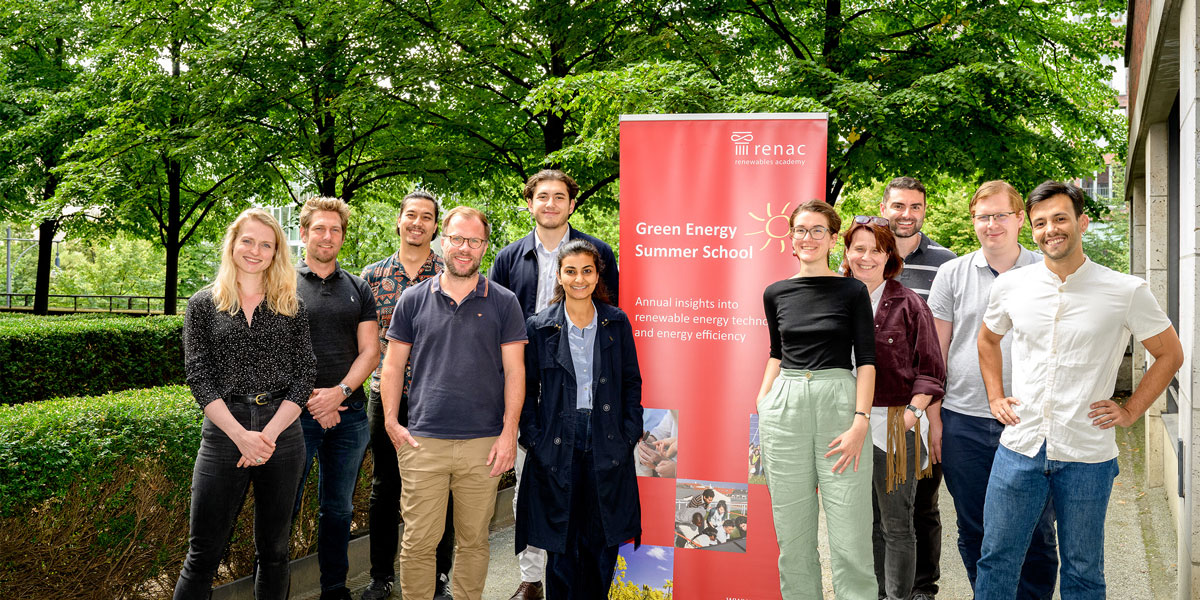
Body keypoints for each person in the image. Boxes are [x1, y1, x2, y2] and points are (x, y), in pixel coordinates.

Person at [974, 181, 1183, 599]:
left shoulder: (1125, 291)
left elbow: (1170, 355)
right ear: (1030, 229)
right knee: (997, 558)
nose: (1050, 229)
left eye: (1060, 218)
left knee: (1084, 570)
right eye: (1040, 223)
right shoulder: (1012, 286)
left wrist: (1132, 410)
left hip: (1087, 454)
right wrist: (995, 396)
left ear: (1081, 222)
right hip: (1020, 446)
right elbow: (987, 340)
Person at [380, 206, 527, 600]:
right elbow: (392, 366)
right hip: (422, 442)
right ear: (443, 241)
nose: (465, 248)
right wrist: (392, 423)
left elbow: (515, 372)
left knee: (474, 542)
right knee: (417, 544)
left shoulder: (504, 301)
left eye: (474, 241)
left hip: (484, 444)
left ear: (484, 246)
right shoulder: (412, 299)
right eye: (458, 239)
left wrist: (508, 433)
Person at [489, 169, 620, 600]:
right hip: (528, 388)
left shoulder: (596, 253)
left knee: (579, 498)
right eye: (541, 196)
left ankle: (573, 577)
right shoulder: (509, 258)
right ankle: (531, 577)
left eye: (558, 197)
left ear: (572, 204)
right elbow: (496, 326)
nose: (549, 203)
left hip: (579, 394)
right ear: (529, 203)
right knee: (532, 489)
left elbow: (609, 324)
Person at [174, 208, 316, 599]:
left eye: (266, 244)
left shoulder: (292, 305)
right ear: (233, 244)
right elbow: (198, 376)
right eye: (248, 241)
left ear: (276, 253)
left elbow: (305, 374)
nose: (255, 250)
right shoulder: (203, 304)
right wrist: (241, 436)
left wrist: (266, 436)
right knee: (202, 552)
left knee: (274, 552)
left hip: (281, 434)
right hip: (224, 432)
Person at [926, 180, 1058, 597]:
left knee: (1036, 529)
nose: (992, 224)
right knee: (975, 526)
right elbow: (936, 352)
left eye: (1001, 215)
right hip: (964, 420)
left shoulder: (1049, 270)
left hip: (1032, 420)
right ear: (973, 222)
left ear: (1020, 219)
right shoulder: (952, 273)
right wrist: (934, 417)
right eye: (983, 217)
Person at [756, 199, 876, 599]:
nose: (808, 238)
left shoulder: (852, 290)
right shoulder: (775, 293)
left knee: (851, 540)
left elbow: (868, 361)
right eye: (801, 230)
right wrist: (764, 400)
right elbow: (777, 351)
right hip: (784, 407)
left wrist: (861, 420)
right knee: (793, 540)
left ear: (832, 239)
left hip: (839, 406)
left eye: (818, 230)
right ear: (791, 238)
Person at [516, 239, 643, 599]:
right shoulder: (539, 326)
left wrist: (629, 432)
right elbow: (525, 389)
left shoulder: (616, 323)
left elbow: (631, 382)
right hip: (557, 442)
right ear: (559, 275)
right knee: (562, 541)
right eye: (570, 271)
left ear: (597, 274)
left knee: (602, 540)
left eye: (587, 270)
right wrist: (535, 439)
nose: (579, 279)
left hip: (607, 440)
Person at [841, 216, 946, 600]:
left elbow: (932, 370)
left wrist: (912, 414)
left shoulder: (909, 304)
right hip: (844, 425)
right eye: (859, 249)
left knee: (896, 524)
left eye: (877, 250)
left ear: (889, 256)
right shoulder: (836, 298)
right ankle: (875, 592)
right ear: (847, 252)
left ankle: (897, 596)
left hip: (894, 426)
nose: (866, 257)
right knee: (863, 522)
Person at [360, 191, 456, 600]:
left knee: (442, 490)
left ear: (436, 227)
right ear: (399, 221)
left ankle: (439, 579)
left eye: (427, 217)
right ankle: (381, 577)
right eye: (411, 215)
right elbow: (363, 344)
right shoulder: (372, 276)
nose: (418, 223)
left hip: (439, 397)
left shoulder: (453, 273)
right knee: (386, 487)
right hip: (387, 395)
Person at [292, 197, 379, 600]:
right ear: (304, 232)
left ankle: (334, 589)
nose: (328, 236)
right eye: (319, 229)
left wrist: (339, 393)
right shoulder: (281, 283)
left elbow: (370, 352)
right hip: (293, 417)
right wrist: (314, 401)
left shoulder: (358, 288)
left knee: (339, 510)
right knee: (284, 509)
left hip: (351, 415)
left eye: (336, 229)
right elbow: (272, 352)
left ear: (343, 236)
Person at [878, 177, 957, 600]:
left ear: (925, 210)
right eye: (898, 206)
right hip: (875, 405)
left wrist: (933, 410)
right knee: (880, 509)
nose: (906, 214)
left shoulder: (948, 263)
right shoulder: (863, 256)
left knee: (922, 506)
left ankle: (923, 590)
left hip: (927, 405)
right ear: (884, 207)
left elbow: (948, 341)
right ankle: (882, 587)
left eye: (915, 206)